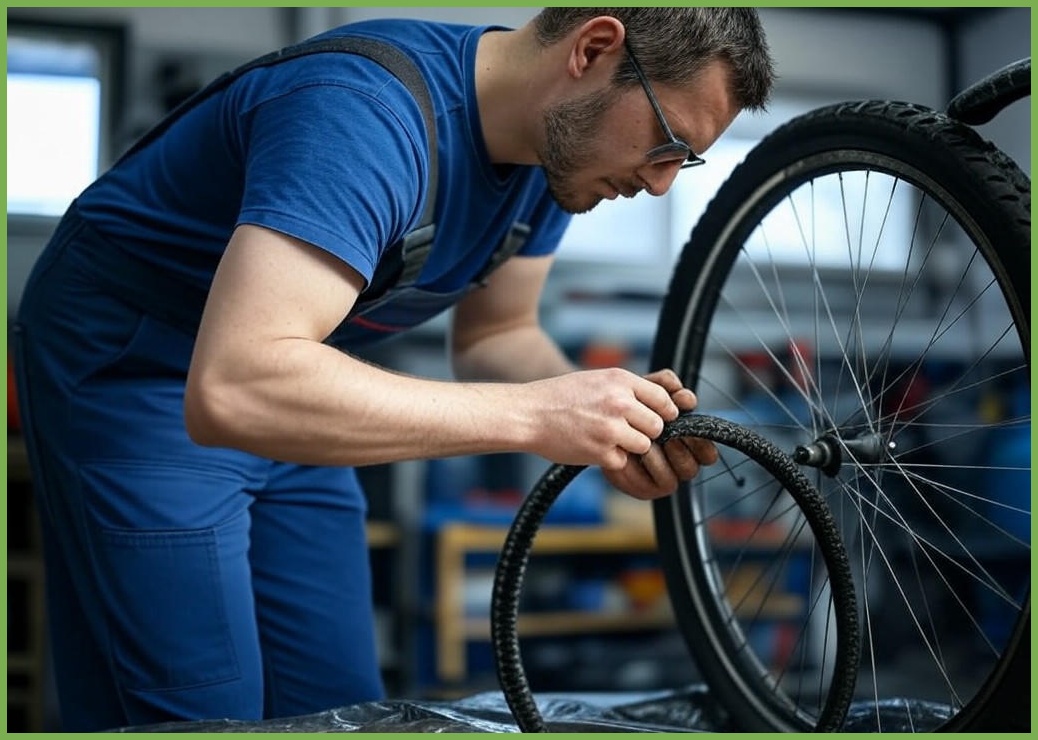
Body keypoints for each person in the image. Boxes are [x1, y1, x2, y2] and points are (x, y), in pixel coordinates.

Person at [12, 6, 775, 731]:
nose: (662, 182)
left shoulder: (555, 157)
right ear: (592, 51)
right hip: (140, 372)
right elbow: (233, 388)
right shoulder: (363, 115)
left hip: (297, 378)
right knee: (206, 714)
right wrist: (537, 416)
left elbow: (498, 335)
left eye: (687, 159)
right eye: (667, 141)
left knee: (337, 701)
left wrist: (613, 418)